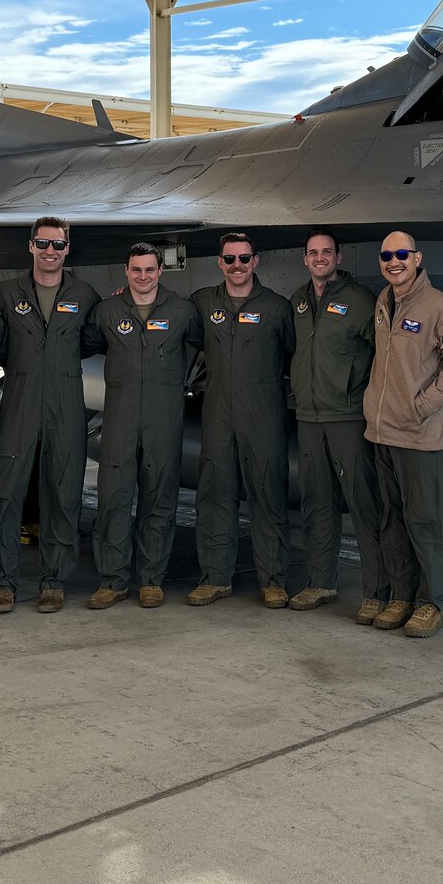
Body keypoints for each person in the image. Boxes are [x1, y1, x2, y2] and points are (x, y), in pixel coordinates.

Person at [0, 218, 100, 614]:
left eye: (58, 244)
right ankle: (2, 582)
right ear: (30, 246)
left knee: (64, 492)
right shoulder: (5, 293)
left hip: (66, 402)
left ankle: (54, 581)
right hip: (20, 399)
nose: (51, 251)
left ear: (68, 249)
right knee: (6, 491)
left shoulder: (84, 294)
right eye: (43, 243)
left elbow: (92, 340)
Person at [362, 232, 443, 639]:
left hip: (421, 437)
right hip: (382, 432)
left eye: (402, 254)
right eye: (387, 255)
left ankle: (431, 603)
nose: (395, 261)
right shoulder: (383, 301)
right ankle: (401, 597)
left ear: (417, 258)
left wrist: (422, 406)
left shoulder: (441, 307)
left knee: (427, 522)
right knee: (392, 521)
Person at [80, 243, 201, 609]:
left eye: (150, 270)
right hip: (119, 421)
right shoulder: (108, 311)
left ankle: (151, 580)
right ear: (126, 271)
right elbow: (83, 344)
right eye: (137, 270)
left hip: (163, 422)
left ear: (160, 271)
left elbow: (211, 343)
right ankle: (113, 581)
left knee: (159, 501)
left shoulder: (182, 311)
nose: (143, 276)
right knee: (113, 501)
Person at [189, 232, 296, 608]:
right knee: (215, 496)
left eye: (244, 259)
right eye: (230, 259)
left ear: (256, 262)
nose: (238, 266)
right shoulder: (203, 302)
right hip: (218, 413)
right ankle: (215, 578)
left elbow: (294, 356)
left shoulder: (277, 307)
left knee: (268, 496)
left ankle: (273, 581)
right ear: (220, 262)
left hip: (263, 415)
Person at [285, 232, 381, 617]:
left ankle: (377, 591)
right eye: (313, 253)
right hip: (309, 417)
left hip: (347, 417)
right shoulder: (298, 301)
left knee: (363, 504)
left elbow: (383, 354)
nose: (320, 258)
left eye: (327, 252)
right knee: (316, 504)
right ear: (304, 259)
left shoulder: (360, 301)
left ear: (338, 257)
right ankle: (320, 583)